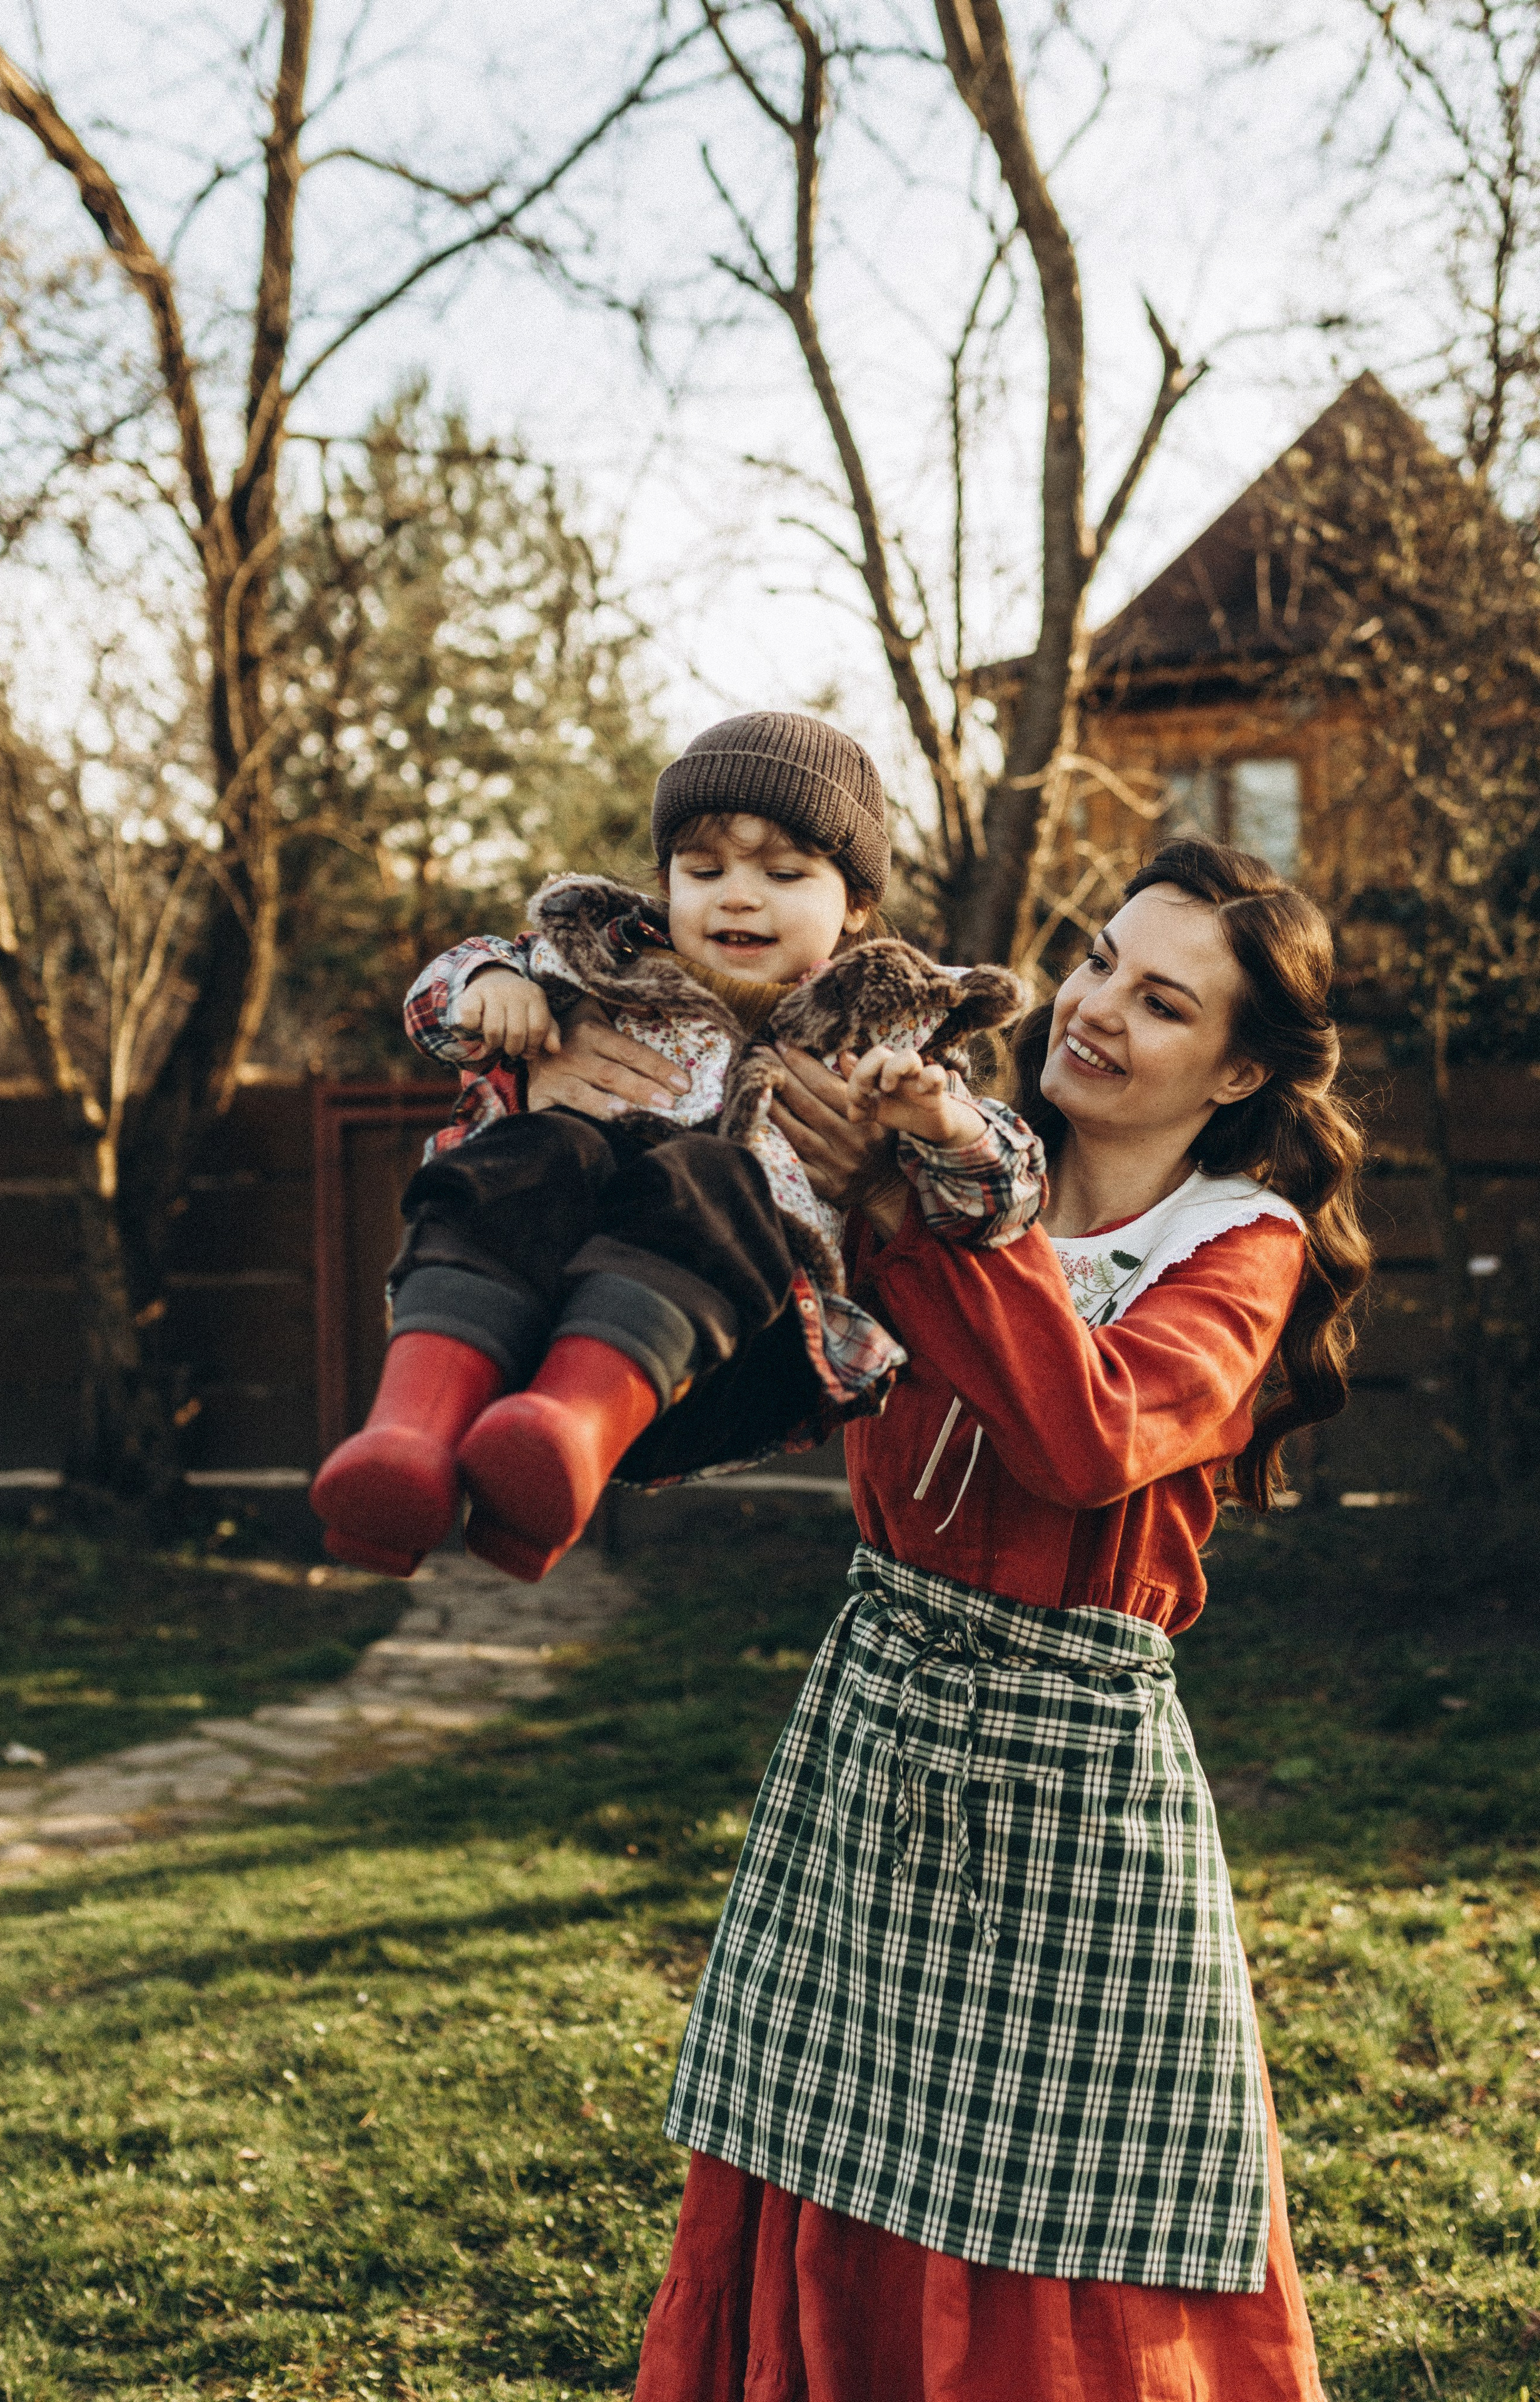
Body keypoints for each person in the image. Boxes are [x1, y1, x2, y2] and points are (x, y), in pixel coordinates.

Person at [617, 836, 1370, 2402]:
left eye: (1161, 1003)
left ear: (1237, 1072)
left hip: (1069, 1764)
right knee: (830, 2139)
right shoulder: (944, 1153)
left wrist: (909, 1217)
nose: (1092, 1008)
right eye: (1097, 960)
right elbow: (777, 1364)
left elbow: (1085, 1438)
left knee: (1066, 2192)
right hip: (879, 1709)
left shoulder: (1236, 1246)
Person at [310, 711, 1044, 1584]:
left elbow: (1006, 1199)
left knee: (713, 1175)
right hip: (516, 1302)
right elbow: (436, 1004)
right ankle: (411, 1444)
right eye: (704, 870)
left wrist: (945, 1125)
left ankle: (568, 1433)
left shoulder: (886, 1032)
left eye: (783, 874)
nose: (738, 896)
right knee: (538, 1151)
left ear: (855, 905)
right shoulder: (598, 964)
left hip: (721, 1347)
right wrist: (493, 985)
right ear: (666, 884)